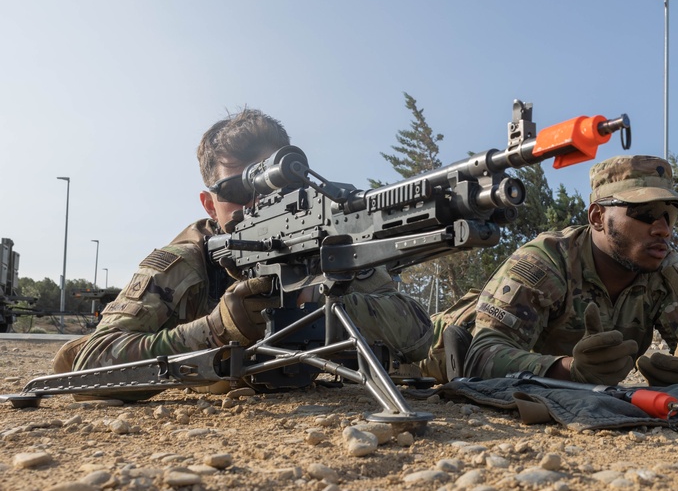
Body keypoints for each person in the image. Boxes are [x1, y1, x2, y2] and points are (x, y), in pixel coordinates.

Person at [53, 109, 432, 394]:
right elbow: (90, 363)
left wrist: (326, 310)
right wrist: (216, 330)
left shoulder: (320, 243)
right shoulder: (186, 262)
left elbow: (417, 335)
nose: (256, 205)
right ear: (208, 204)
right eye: (235, 193)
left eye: (273, 187)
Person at [420, 154, 678, 387]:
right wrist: (570, 370)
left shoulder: (664, 268)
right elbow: (480, 353)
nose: (663, 229)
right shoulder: (545, 261)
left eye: (670, 215)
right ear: (598, 217)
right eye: (646, 213)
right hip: (427, 347)